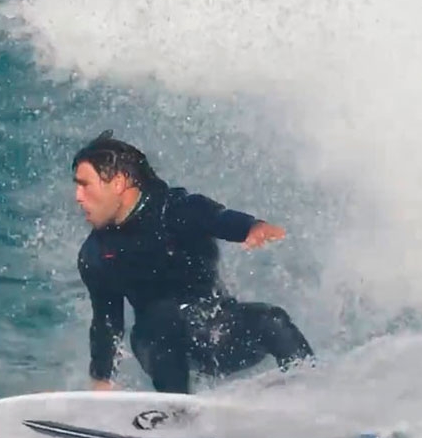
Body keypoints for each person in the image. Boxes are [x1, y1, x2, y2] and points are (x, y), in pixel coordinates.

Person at [72, 130, 314, 394]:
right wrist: (102, 378)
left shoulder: (174, 209)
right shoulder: (96, 253)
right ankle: (176, 410)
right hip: (161, 345)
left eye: (85, 185)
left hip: (218, 331)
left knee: (273, 321)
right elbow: (107, 321)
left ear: (119, 182)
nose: (78, 196)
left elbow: (217, 218)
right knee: (160, 321)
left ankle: (312, 387)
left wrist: (252, 227)